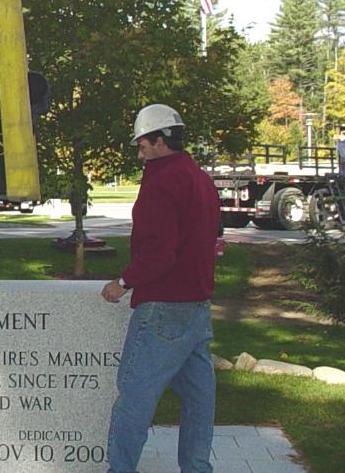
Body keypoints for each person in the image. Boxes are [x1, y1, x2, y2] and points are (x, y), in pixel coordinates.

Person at [101, 104, 220, 473]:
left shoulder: (161, 182)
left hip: (163, 309)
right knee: (200, 400)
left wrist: (122, 283)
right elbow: (209, 240)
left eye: (143, 145)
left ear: (160, 141)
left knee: (134, 399)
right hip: (197, 307)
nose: (140, 153)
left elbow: (158, 253)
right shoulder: (199, 178)